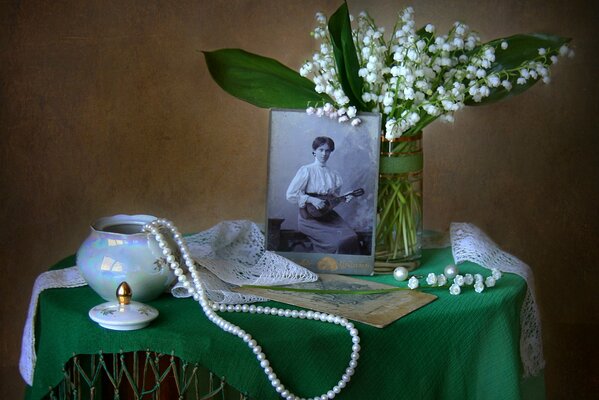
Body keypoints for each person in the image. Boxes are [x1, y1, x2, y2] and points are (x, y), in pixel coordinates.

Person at [286, 136, 360, 254]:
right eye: (321, 150)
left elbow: (333, 198)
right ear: (314, 151)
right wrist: (311, 199)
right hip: (310, 219)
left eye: (327, 151)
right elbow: (290, 195)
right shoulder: (306, 170)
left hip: (328, 216)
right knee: (338, 242)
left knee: (351, 237)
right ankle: (329, 266)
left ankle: (347, 266)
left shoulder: (333, 174)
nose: (324, 154)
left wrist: (345, 197)